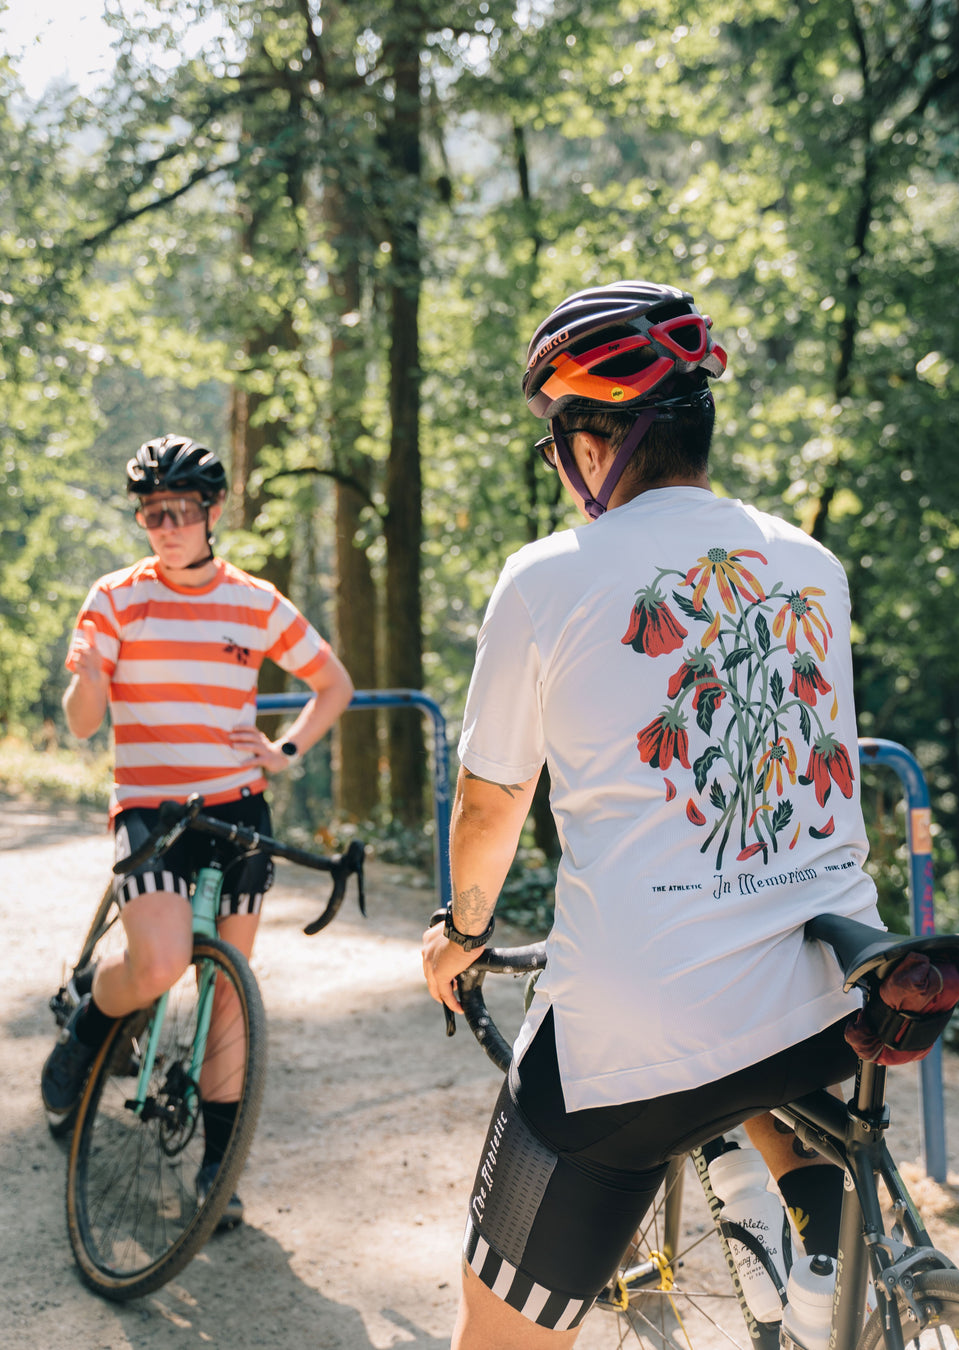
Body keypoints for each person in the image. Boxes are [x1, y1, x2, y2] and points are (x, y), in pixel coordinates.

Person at [422, 281, 884, 1347]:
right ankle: (815, 1242)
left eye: (558, 442)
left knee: (496, 1334)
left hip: (634, 1039)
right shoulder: (811, 565)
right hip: (829, 994)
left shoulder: (546, 577)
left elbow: (494, 802)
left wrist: (465, 933)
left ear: (598, 445)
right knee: (742, 1022)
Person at [42, 433, 354, 1226]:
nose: (166, 525)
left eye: (180, 510)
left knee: (226, 996)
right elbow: (82, 723)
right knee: (157, 963)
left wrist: (284, 751)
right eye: (152, 513)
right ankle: (89, 1024)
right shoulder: (115, 596)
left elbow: (332, 683)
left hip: (236, 809)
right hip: (150, 807)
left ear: (213, 511)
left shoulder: (253, 600)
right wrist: (90, 676)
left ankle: (218, 1167)